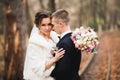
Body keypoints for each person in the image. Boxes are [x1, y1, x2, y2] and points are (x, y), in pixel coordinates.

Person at [23, 11, 65, 80]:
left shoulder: (54, 37)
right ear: (38, 25)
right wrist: (54, 59)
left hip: (55, 75)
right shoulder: (34, 43)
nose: (47, 28)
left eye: (49, 24)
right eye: (43, 25)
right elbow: (37, 67)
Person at [50, 9, 82, 80]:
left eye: (53, 25)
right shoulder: (75, 38)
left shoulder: (64, 43)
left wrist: (47, 72)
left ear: (61, 24)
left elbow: (63, 71)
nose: (52, 28)